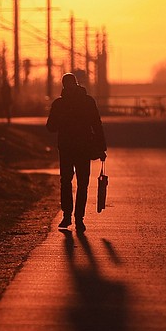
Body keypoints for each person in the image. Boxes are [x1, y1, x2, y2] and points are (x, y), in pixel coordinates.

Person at [46, 73, 107, 232]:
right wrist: (102, 148)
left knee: (67, 181)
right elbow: (97, 125)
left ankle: (69, 216)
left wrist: (61, 120)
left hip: (68, 148)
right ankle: (78, 218)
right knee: (81, 184)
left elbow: (50, 127)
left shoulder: (59, 104)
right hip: (82, 148)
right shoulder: (87, 101)